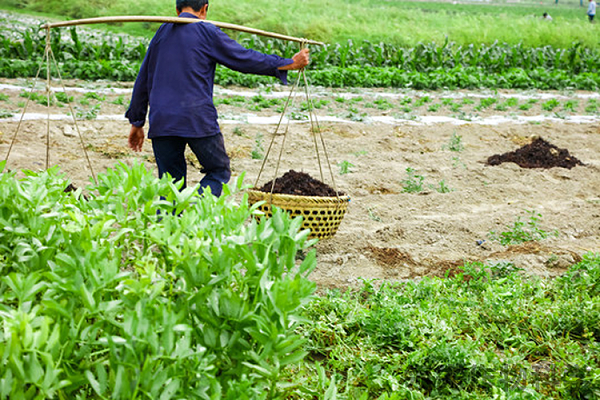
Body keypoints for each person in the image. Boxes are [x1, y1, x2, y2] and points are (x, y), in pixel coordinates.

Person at [126, 0, 309, 196]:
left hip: (162, 120)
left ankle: (173, 224)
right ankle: (198, 213)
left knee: (170, 184)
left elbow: (143, 79)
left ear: (177, 10)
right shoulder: (205, 30)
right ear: (204, 9)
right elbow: (243, 58)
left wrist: (137, 123)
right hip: (196, 117)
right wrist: (288, 63)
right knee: (218, 170)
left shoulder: (160, 34)